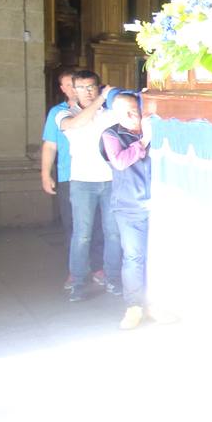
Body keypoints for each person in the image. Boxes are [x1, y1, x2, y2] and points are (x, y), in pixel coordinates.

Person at [58, 70, 122, 302]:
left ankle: (113, 279)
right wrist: (100, 99)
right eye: (81, 88)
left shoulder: (109, 113)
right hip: (83, 182)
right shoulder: (64, 113)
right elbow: (76, 124)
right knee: (82, 235)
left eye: (91, 87)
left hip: (110, 181)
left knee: (113, 233)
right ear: (74, 90)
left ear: (97, 87)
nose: (87, 92)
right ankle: (77, 281)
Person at [100, 93, 155, 330]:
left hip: (156, 203)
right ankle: (134, 307)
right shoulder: (110, 135)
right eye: (127, 113)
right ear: (117, 115)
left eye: (136, 111)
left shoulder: (150, 128)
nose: (134, 117)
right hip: (129, 206)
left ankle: (155, 304)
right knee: (134, 257)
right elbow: (120, 161)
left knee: (157, 256)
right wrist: (143, 142)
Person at [41, 67, 83, 288]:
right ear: (62, 88)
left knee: (98, 224)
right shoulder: (57, 112)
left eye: (73, 84)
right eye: (66, 85)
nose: (71, 89)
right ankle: (74, 270)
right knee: (71, 224)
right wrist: (45, 174)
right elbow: (50, 145)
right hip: (69, 174)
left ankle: (98, 267)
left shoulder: (95, 108)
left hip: (96, 174)